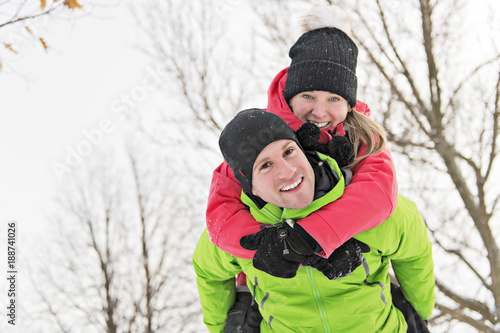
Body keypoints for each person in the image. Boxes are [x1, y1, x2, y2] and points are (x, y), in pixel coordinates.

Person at [193, 109, 435, 332]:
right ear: (251, 188)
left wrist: (420, 312)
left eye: (289, 151)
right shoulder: (240, 235)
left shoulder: (367, 208)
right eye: (265, 166)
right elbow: (208, 272)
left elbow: (414, 249)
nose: (287, 171)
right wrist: (222, 327)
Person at [205, 8, 397, 270]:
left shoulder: (363, 138)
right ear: (290, 94)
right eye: (308, 96)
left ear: (349, 103)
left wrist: (313, 236)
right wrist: (273, 243)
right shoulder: (262, 137)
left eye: (333, 99)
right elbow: (221, 214)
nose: (319, 112)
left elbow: (377, 192)